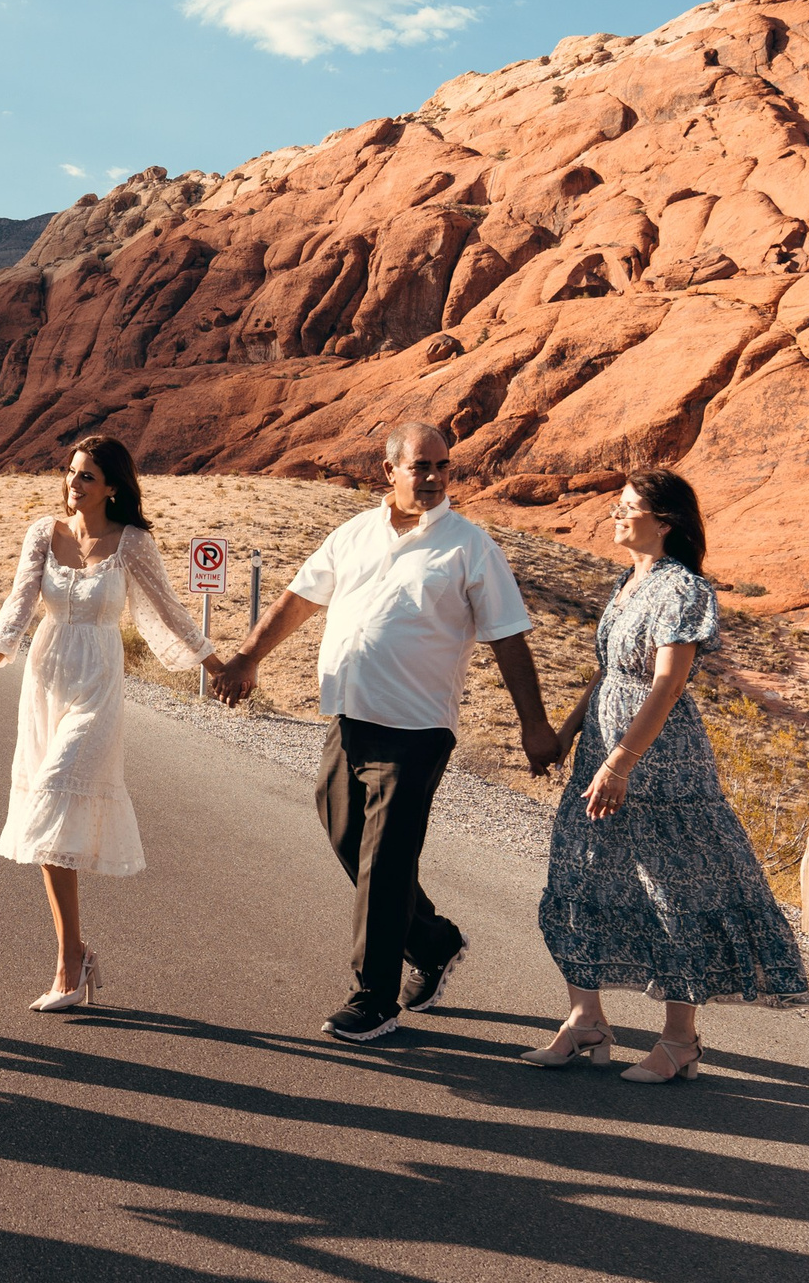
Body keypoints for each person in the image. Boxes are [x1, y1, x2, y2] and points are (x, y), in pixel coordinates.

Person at [211, 421, 557, 1044]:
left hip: (417, 726)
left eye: (442, 466)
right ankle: (433, 941)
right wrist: (248, 657)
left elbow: (508, 636)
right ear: (390, 470)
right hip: (350, 716)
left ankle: (375, 998)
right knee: (345, 833)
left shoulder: (470, 547)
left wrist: (534, 726)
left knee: (387, 858)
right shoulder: (353, 534)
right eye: (420, 466)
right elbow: (298, 599)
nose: (432, 478)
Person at [523, 470, 807, 1081]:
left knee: (674, 892)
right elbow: (609, 674)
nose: (615, 515)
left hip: (659, 766)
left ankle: (680, 1041)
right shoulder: (627, 582)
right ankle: (585, 1020)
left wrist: (621, 762)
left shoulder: (684, 589)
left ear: (665, 521)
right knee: (578, 878)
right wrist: (568, 737)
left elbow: (668, 684)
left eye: (628, 507)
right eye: (617, 506)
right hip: (599, 756)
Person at [0, 437, 228, 1010]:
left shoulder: (132, 542)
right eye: (71, 472)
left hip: (97, 681)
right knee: (47, 819)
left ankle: (70, 961)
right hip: (46, 677)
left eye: (87, 476)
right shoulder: (43, 533)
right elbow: (18, 604)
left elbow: (168, 608)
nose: (74, 483)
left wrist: (218, 667)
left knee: (52, 793)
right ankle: (73, 953)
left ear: (113, 486)